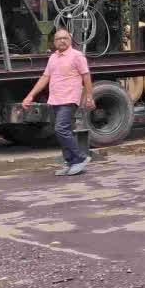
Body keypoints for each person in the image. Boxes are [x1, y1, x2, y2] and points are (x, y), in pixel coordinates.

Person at [21, 27, 94, 176]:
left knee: (61, 129)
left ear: (70, 40)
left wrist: (89, 95)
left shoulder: (77, 56)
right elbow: (45, 78)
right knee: (60, 132)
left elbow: (86, 76)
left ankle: (80, 158)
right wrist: (30, 95)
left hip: (69, 99)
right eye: (59, 39)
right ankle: (70, 162)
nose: (62, 41)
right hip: (55, 100)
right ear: (54, 42)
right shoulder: (53, 58)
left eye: (65, 38)